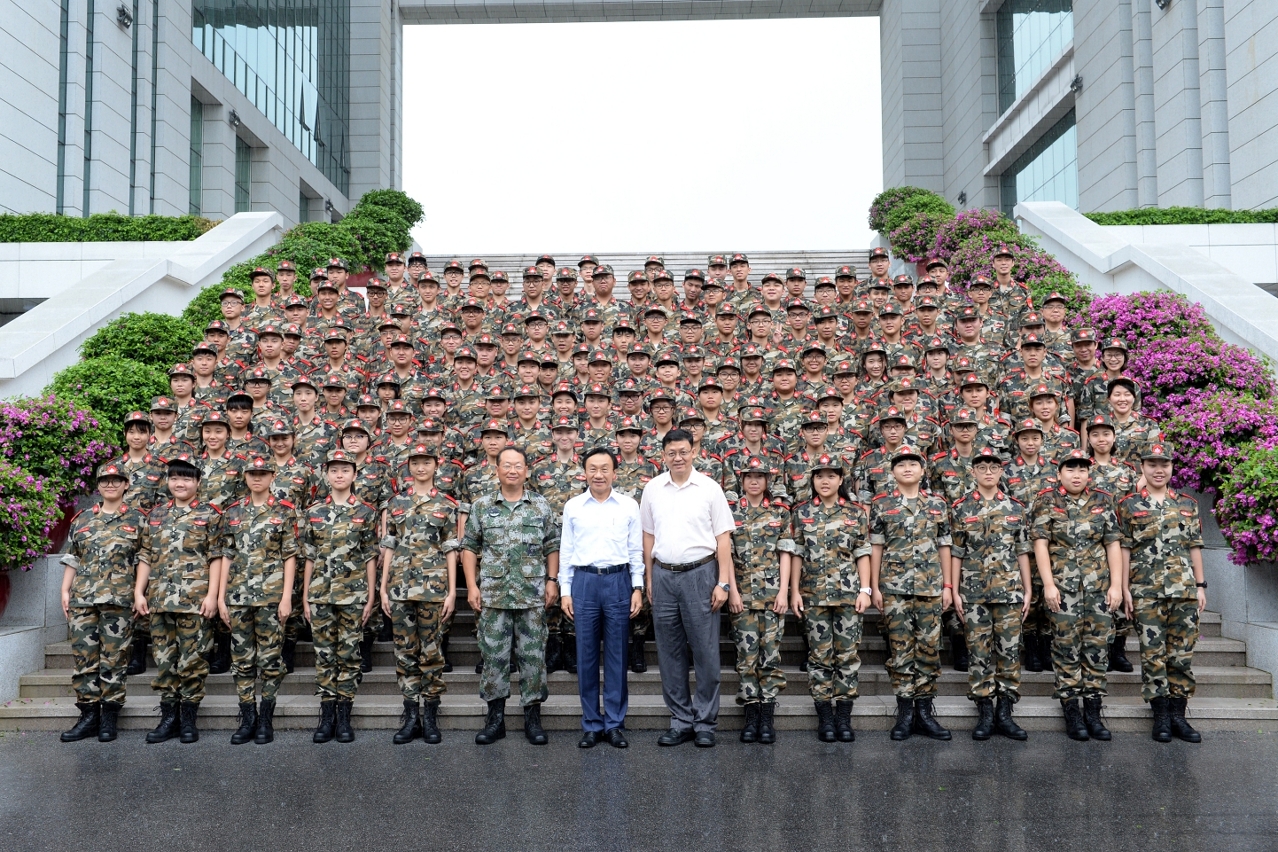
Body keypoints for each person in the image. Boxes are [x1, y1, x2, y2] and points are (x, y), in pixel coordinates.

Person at [640, 428, 737, 748]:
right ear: (663, 456)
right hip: (664, 576)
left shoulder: (709, 488)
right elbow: (648, 538)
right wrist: (650, 579)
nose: (678, 458)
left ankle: (705, 721)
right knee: (670, 653)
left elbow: (723, 539)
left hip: (701, 574)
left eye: (683, 451)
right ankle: (680, 719)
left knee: (706, 652)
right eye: (671, 453)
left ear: (693, 451)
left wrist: (723, 582)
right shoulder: (653, 489)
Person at [461, 446, 562, 746]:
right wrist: (472, 586)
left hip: (531, 596)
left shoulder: (540, 506)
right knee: (494, 658)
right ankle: (495, 720)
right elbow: (468, 548)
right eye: (507, 465)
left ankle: (533, 718)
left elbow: (552, 546)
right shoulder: (481, 506)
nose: (513, 470)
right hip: (494, 596)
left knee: (533, 659)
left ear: (527, 470)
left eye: (518, 465)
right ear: (498, 470)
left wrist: (552, 580)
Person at [1032, 449, 1125, 741]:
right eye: (1070, 469)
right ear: (1059, 473)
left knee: (1097, 648)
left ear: (1089, 473)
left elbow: (1112, 544)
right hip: (1063, 588)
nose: (1076, 474)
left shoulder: (1103, 500)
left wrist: (1116, 585)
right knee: (1065, 648)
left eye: (1082, 469)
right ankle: (1072, 710)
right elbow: (1040, 544)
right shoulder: (1046, 500)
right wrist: (1048, 584)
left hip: (1098, 587)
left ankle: (1094, 712)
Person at [1117, 443, 1206, 743]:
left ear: (1171, 468)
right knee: (1153, 655)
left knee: (1181, 654)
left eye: (1164, 464)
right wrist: (1125, 588)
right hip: (1146, 591)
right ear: (1142, 467)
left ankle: (1179, 716)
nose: (1158, 469)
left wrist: (1201, 586)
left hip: (1183, 590)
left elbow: (1194, 545)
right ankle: (1161, 717)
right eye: (1152, 464)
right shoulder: (1128, 505)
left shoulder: (1187, 504)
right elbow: (1125, 548)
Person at [134, 454, 225, 744]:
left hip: (195, 601)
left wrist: (212, 596)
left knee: (193, 660)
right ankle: (168, 718)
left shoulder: (210, 514)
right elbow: (146, 555)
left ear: (198, 481)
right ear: (167, 481)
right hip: (160, 600)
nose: (179, 482)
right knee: (164, 660)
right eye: (174, 477)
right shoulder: (156, 515)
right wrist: (139, 591)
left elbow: (217, 557)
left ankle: (188, 719)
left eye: (186, 477)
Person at [558, 447, 644, 749]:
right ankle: (592, 723)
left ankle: (614, 723)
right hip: (583, 582)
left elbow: (636, 551)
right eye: (593, 468)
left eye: (604, 468)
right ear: (585, 472)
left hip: (619, 581)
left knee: (618, 654)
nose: (598, 474)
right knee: (586, 655)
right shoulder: (574, 506)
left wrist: (637, 587)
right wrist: (565, 591)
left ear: (614, 473)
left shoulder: (628, 505)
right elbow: (566, 551)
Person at [870, 444, 953, 742]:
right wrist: (876, 586)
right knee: (901, 650)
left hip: (930, 587)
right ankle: (904, 714)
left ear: (922, 470)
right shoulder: (882, 504)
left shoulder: (937, 504)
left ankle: (925, 712)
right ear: (892, 471)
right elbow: (876, 546)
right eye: (901, 463)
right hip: (894, 589)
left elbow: (945, 545)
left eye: (913, 463)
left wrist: (947, 586)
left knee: (929, 650)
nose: (907, 468)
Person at [59, 463, 146, 743]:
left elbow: (144, 559)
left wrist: (139, 592)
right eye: (105, 481)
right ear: (98, 486)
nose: (110, 485)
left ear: (125, 484)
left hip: (119, 600)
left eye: (116, 480)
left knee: (115, 659)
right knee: (84, 660)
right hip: (83, 599)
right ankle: (87, 717)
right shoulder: (83, 519)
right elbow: (73, 557)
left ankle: (109, 717)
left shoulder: (137, 519)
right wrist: (64, 590)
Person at [949, 446, 1032, 741]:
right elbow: (956, 552)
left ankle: (1005, 712)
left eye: (993, 467)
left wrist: (1028, 588)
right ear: (973, 472)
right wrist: (954, 590)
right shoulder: (960, 508)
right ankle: (984, 711)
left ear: (1000, 471)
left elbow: (1022, 551)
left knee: (1009, 653)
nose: (987, 472)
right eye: (981, 467)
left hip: (1009, 591)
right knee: (978, 653)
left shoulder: (1015, 508)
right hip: (972, 594)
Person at [380, 443, 460, 745]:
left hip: (433, 588)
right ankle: (410, 714)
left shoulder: (447, 504)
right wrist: (384, 588)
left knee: (432, 652)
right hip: (400, 588)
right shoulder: (395, 503)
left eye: (426, 462)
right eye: (416, 462)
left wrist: (453, 591)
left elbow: (451, 548)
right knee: (404, 653)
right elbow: (388, 546)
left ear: (435, 466)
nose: (421, 467)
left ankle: (430, 715)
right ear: (409, 466)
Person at [790, 455, 871, 743]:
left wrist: (865, 589)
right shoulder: (801, 513)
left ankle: (844, 719)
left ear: (841, 480)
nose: (825, 481)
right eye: (819, 475)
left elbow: (862, 552)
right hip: (814, 595)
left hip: (849, 595)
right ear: (812, 480)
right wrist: (794, 591)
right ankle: (825, 719)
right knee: (819, 658)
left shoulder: (856, 513)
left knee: (847, 657)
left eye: (831, 475)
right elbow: (797, 553)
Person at [302, 449, 380, 744]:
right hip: (320, 594)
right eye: (333, 470)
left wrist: (370, 596)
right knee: (324, 657)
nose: (339, 475)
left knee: (348, 656)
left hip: (353, 593)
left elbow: (370, 555)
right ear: (326, 474)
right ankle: (327, 716)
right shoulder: (314, 512)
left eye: (344, 470)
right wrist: (306, 596)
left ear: (354, 474)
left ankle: (345, 716)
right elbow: (309, 556)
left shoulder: (366, 512)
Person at [220, 456, 298, 745]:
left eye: (262, 473)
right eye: (252, 473)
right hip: (238, 597)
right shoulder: (233, 512)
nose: (257, 478)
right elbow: (226, 555)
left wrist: (286, 597)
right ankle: (247, 717)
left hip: (270, 596)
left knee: (270, 660)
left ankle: (266, 718)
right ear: (245, 476)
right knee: (241, 661)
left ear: (272, 476)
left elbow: (290, 555)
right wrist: (220, 597)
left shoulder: (284, 512)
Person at [729, 457, 796, 744]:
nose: (754, 481)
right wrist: (731, 590)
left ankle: (767, 717)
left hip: (771, 597)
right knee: (746, 658)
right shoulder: (730, 513)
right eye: (749, 476)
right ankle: (751, 715)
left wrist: (784, 592)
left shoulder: (780, 512)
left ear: (768, 481)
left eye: (760, 476)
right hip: (742, 596)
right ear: (741, 481)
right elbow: (726, 556)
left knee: (770, 657)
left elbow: (786, 553)